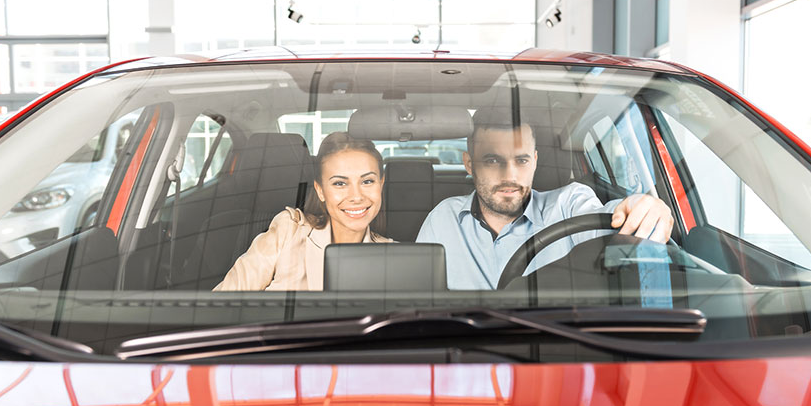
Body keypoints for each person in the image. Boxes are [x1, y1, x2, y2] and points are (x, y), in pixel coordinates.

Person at [416, 120, 674, 289]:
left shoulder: (569, 203)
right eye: (493, 160)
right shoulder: (443, 219)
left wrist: (645, 207)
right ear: (469, 164)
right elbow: (418, 303)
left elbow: (611, 220)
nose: (510, 176)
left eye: (522, 160)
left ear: (536, 161)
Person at [214, 132, 392, 291]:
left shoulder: (393, 256)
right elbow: (223, 304)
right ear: (320, 190)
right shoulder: (287, 233)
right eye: (340, 183)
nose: (356, 196)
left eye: (367, 181)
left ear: (381, 184)